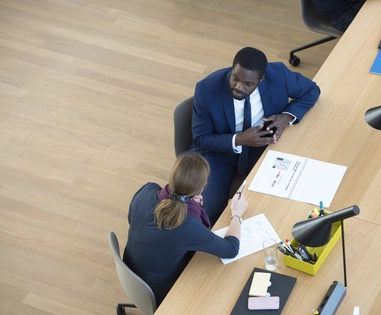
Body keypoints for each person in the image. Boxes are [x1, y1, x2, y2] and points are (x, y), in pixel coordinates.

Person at [190, 47, 320, 226]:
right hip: (221, 151)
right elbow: (201, 139)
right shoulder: (206, 88)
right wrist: (239, 139)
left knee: (275, 202)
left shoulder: (279, 74)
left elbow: (312, 90)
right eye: (235, 78)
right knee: (208, 209)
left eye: (248, 84)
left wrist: (285, 118)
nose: (238, 87)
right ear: (232, 69)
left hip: (263, 147)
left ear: (261, 79)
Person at [123, 152, 248, 307]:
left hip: (130, 272)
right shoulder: (185, 225)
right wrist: (237, 213)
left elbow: (132, 220)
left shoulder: (147, 189)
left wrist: (191, 208)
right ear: (201, 189)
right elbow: (231, 249)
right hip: (158, 288)